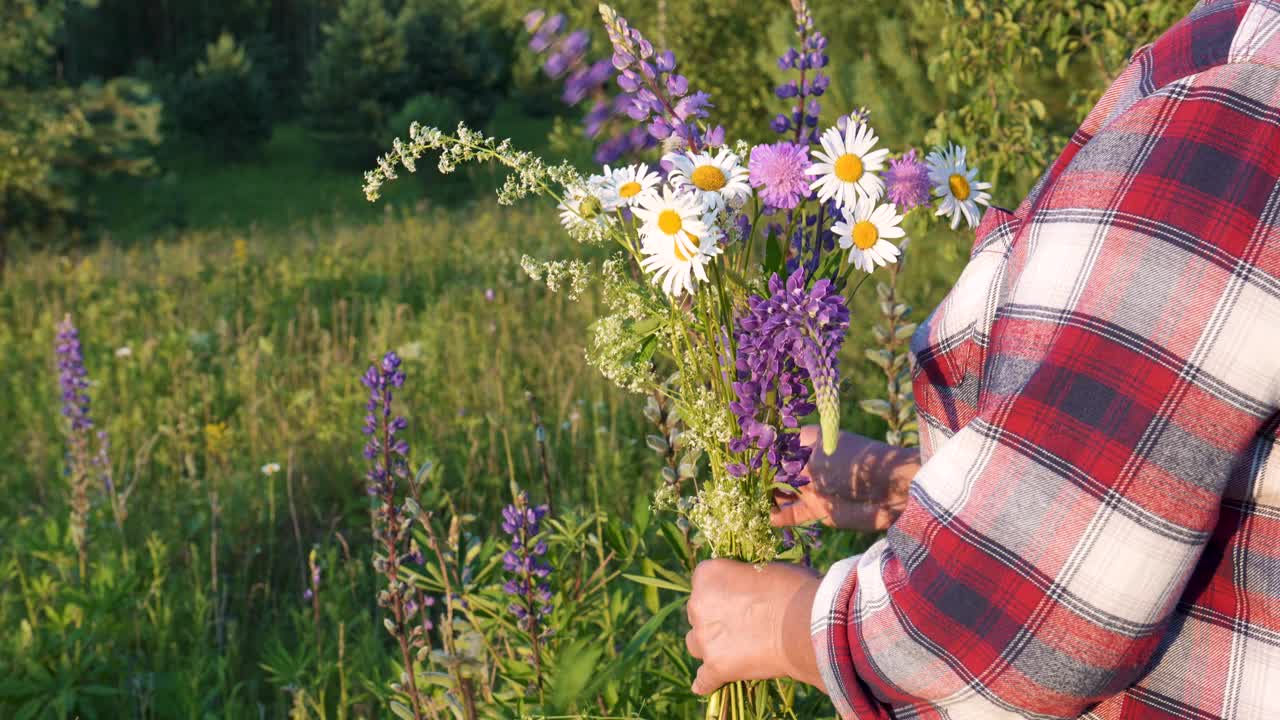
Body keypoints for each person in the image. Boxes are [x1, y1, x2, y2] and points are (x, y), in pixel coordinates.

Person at [684, 1, 1280, 717]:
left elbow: (1030, 623)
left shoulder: (1246, 105)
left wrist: (791, 628)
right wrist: (911, 488)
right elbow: (1195, 455)